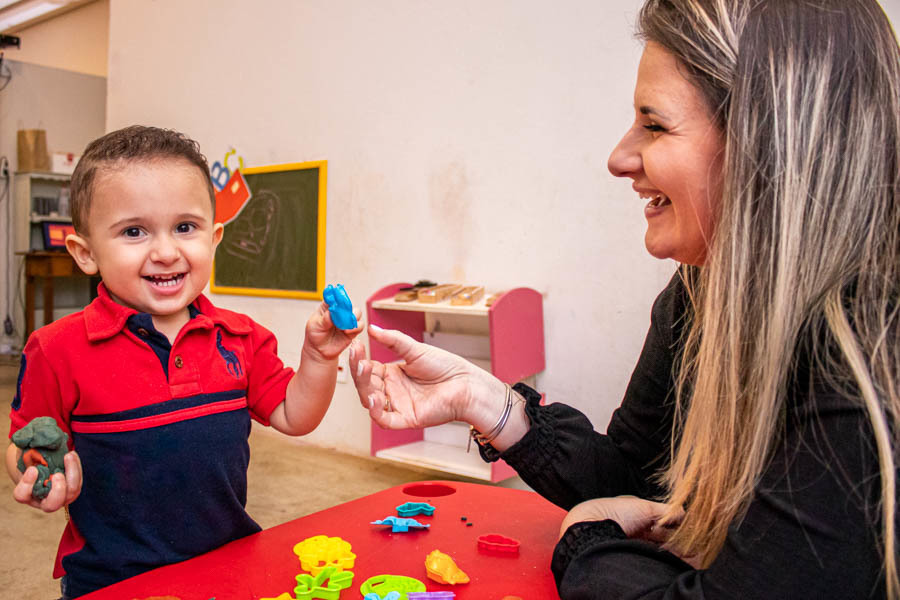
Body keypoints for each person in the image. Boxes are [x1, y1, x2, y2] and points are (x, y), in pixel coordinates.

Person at [349, 0, 900, 597]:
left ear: (773, 146)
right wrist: (484, 400)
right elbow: (638, 479)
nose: (619, 158)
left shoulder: (871, 350)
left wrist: (586, 538)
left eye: (655, 125)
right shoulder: (696, 293)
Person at [5, 125, 362, 599]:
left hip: (230, 565)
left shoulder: (240, 337)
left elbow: (295, 416)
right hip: (111, 579)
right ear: (85, 253)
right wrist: (34, 472)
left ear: (214, 238)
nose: (166, 251)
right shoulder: (56, 349)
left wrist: (318, 358)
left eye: (185, 227)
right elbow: (26, 441)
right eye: (134, 231)